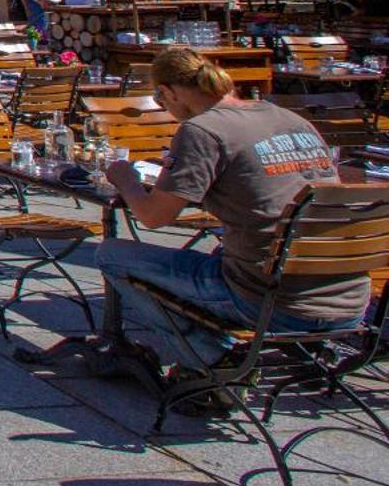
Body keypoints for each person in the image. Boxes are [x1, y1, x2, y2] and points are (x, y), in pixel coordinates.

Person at [99, 47, 365, 378]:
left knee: (112, 254)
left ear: (167, 92)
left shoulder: (202, 130)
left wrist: (125, 179)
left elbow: (154, 217)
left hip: (273, 302)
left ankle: (216, 361)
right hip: (349, 300)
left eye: (159, 98)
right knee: (228, 249)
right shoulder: (288, 118)